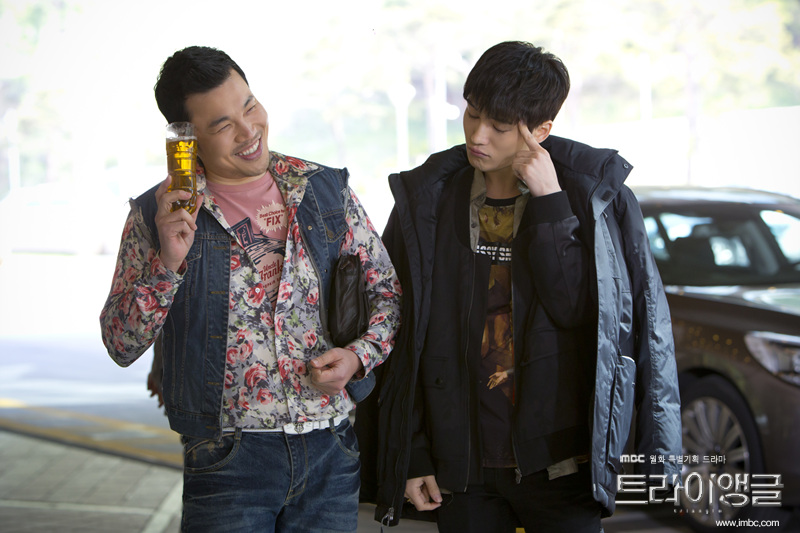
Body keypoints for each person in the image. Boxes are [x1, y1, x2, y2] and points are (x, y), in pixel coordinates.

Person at [356, 41, 681, 532]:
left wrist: (550, 201)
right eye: (472, 114)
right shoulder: (428, 201)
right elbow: (402, 334)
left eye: (500, 126)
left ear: (540, 130)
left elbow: (581, 313)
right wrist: (413, 452)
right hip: (461, 465)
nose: (477, 135)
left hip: (562, 464)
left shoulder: (592, 196)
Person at [100, 45, 401, 532]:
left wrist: (358, 357)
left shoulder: (323, 190)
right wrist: (167, 263)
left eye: (250, 105)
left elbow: (387, 293)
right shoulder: (158, 216)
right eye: (223, 125)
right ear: (187, 138)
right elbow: (120, 344)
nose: (248, 130)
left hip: (330, 451)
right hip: (228, 462)